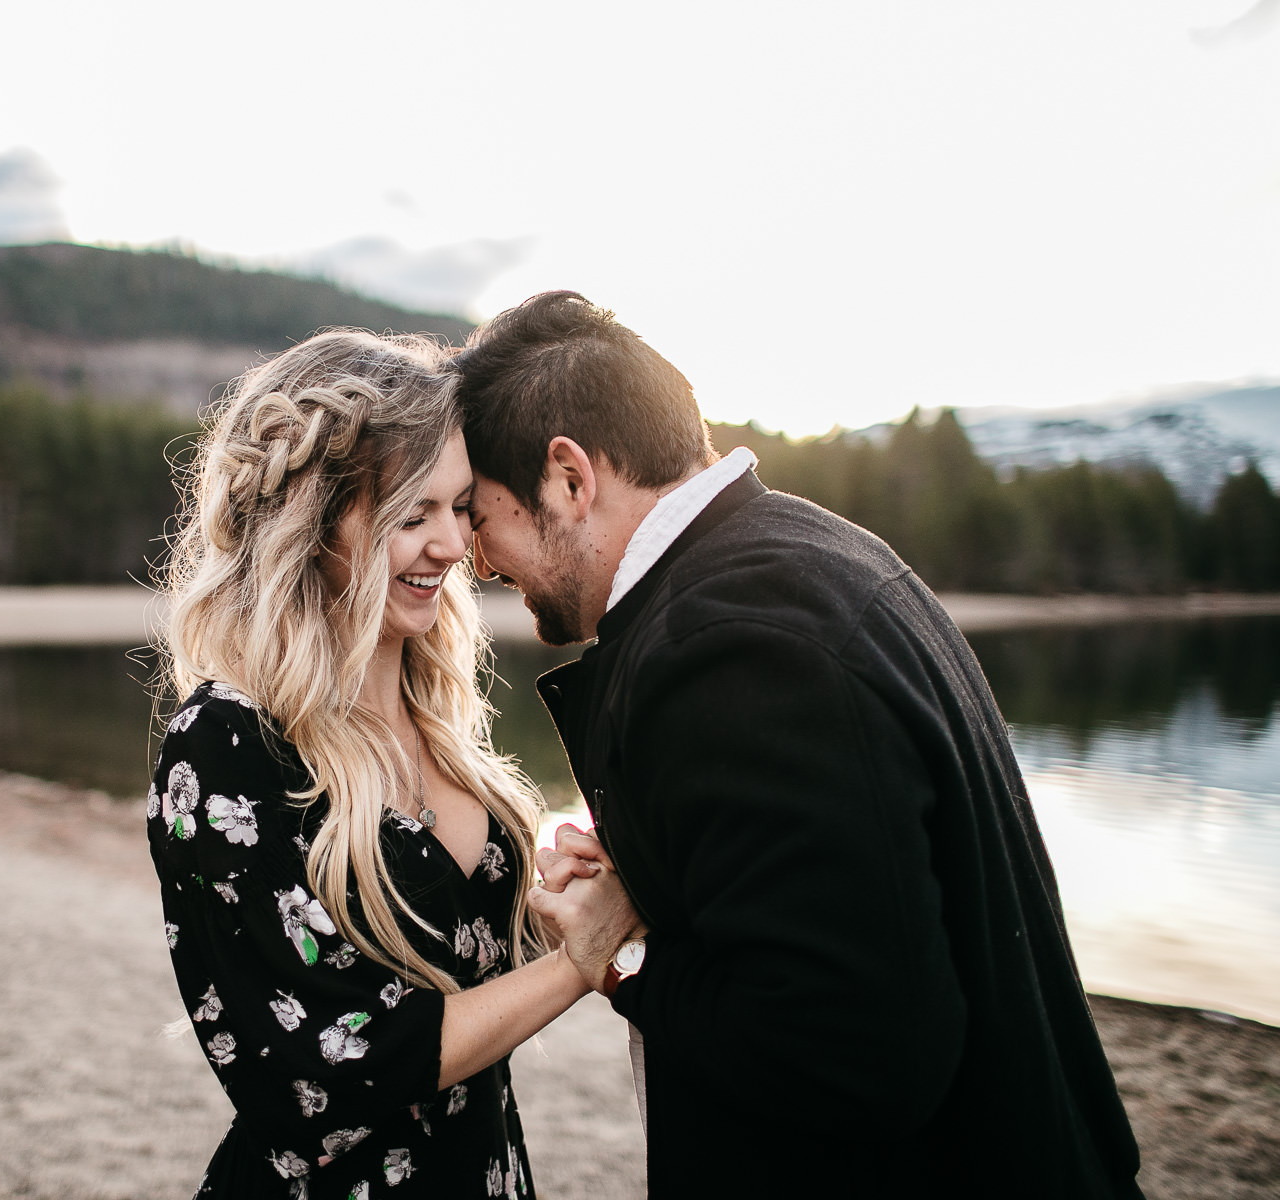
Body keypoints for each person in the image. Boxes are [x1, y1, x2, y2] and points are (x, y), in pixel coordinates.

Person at [452, 291, 1146, 1198]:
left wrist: (620, 956)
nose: (477, 559)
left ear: (569, 479)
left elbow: (857, 1054)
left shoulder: (727, 650)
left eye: (482, 516)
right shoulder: (813, 554)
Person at [149, 328, 617, 1198]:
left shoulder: (436, 714)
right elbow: (322, 1075)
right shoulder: (224, 745)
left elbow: (459, 962)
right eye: (411, 514)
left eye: (460, 507)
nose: (453, 546)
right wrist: (578, 964)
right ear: (313, 525)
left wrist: (554, 913)